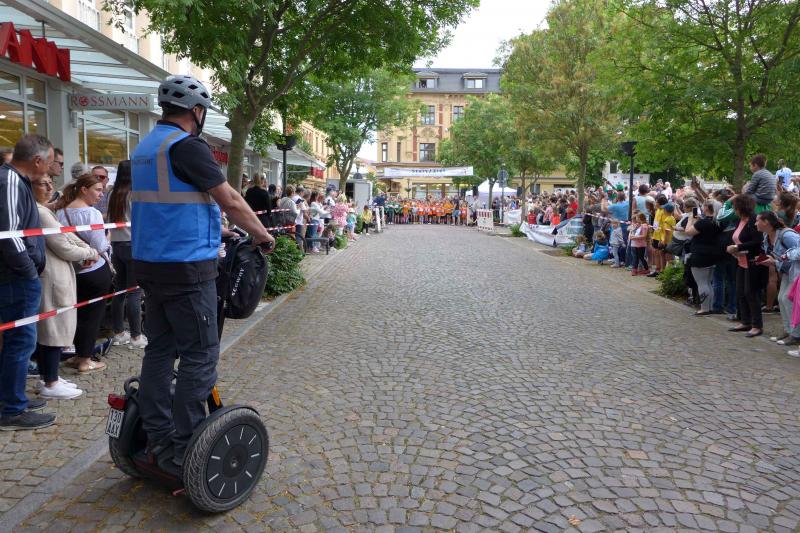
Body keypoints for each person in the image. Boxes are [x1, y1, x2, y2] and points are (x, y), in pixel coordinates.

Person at [131, 75, 273, 469]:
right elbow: (230, 199)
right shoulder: (188, 146)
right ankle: (186, 444)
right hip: (187, 269)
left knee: (160, 350)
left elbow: (167, 205)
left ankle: (157, 436)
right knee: (200, 355)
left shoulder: (146, 147)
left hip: (151, 264)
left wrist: (216, 230)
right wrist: (261, 235)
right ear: (197, 111)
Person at [0, 134, 54, 430]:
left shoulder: (15, 180)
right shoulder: (10, 180)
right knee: (20, 342)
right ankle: (12, 408)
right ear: (37, 160)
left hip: (17, 276)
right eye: (49, 162)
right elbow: (10, 234)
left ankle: (11, 397)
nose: (50, 168)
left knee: (17, 341)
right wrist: (29, 271)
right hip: (16, 278)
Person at [31, 173, 96, 399]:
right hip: (53, 276)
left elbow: (68, 236)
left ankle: (49, 377)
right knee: (53, 330)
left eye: (51, 183)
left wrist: (86, 249)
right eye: (44, 183)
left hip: (58, 273)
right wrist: (90, 252)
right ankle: (50, 381)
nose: (50, 187)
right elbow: (63, 245)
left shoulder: (44, 210)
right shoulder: (40, 212)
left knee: (55, 328)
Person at [56, 174, 112, 374]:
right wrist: (108, 236)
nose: (101, 194)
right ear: (84, 189)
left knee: (77, 314)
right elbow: (99, 245)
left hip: (72, 270)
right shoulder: (92, 214)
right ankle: (85, 359)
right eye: (98, 189)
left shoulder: (61, 212)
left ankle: (78, 354)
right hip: (94, 270)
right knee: (93, 316)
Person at [107, 160, 146, 349]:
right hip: (133, 245)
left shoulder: (112, 194)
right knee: (134, 293)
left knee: (120, 291)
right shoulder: (134, 194)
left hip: (117, 244)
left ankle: (118, 332)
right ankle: (136, 336)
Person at [755, 211, 800, 347]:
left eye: (757, 220)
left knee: (788, 299)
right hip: (786, 271)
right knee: (781, 298)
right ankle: (788, 330)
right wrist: (768, 260)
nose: (755, 223)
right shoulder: (767, 236)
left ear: (766, 222)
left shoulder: (787, 235)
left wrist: (775, 262)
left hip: (796, 272)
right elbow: (776, 256)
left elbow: (797, 252)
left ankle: (796, 334)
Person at [726, 194, 767, 338]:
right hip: (740, 261)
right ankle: (745, 321)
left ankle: (757, 325)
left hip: (751, 262)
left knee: (751, 293)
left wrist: (737, 247)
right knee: (741, 292)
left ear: (741, 208)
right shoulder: (741, 220)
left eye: (735, 208)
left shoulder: (753, 221)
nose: (734, 210)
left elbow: (756, 242)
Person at [685, 200, 722, 316]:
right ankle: (709, 307)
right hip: (712, 253)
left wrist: (690, 220)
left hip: (700, 254)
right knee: (708, 283)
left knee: (701, 283)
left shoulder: (703, 222)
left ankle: (704, 309)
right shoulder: (717, 222)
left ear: (706, 208)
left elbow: (688, 232)